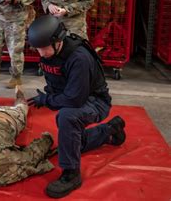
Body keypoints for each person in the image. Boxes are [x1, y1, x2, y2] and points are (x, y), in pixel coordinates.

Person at [27, 15, 126, 198]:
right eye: (37, 48)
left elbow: (74, 100)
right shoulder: (51, 52)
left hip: (96, 101)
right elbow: (55, 83)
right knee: (72, 145)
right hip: (78, 96)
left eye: (43, 48)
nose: (40, 53)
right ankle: (111, 129)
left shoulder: (79, 58)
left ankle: (71, 174)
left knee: (67, 117)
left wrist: (47, 100)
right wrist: (49, 95)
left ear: (58, 41)